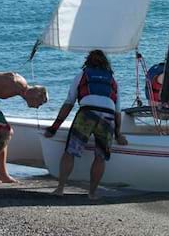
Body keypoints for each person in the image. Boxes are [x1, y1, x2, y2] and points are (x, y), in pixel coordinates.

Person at [44, 50, 128, 199]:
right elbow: (117, 111)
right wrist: (118, 134)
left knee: (70, 152)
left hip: (87, 113)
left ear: (87, 62)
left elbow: (69, 103)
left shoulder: (82, 76)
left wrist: (54, 128)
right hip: (107, 117)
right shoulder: (113, 80)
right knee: (100, 156)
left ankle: (60, 189)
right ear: (106, 63)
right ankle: (92, 193)